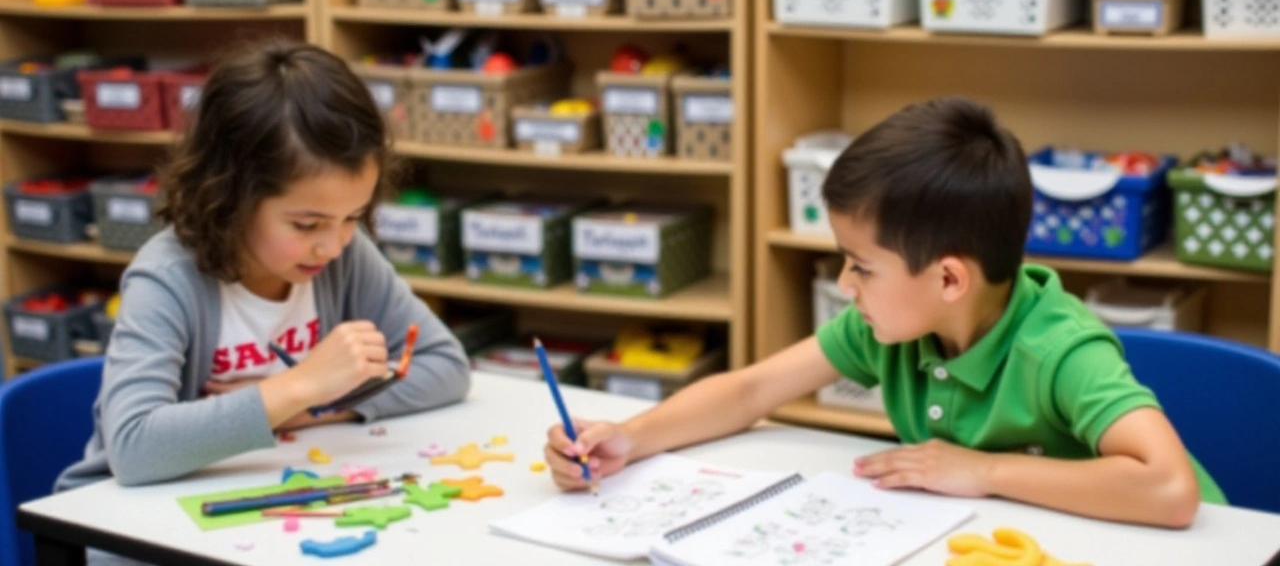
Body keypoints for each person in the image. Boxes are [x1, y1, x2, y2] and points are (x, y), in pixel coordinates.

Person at [544, 97, 1220, 528]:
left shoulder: (1061, 350)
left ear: (949, 277)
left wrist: (979, 471)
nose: (844, 283)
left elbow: (1169, 489)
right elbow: (752, 389)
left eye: (861, 265)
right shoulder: (898, 328)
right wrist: (632, 439)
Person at [57, 39, 470, 494]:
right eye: (306, 223)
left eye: (353, 217)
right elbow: (133, 448)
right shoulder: (168, 277)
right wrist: (300, 384)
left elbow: (445, 365)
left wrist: (310, 403)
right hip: (132, 529)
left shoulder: (346, 257)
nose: (332, 245)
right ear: (232, 195)